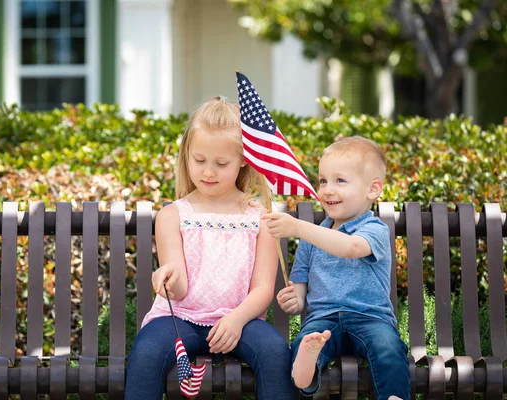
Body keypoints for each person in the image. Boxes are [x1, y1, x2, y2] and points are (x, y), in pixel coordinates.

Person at [124, 96, 296, 399]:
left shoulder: (260, 218)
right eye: (199, 160)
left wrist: (236, 319)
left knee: (274, 352)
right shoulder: (173, 215)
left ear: (244, 159)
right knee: (147, 351)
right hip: (180, 318)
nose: (208, 172)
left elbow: (262, 289)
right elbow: (178, 289)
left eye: (221, 163)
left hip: (240, 320)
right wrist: (167, 278)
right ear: (186, 156)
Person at [262, 136, 410, 400]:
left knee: (388, 348)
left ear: (373, 189)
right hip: (323, 318)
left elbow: (351, 247)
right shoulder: (312, 237)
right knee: (306, 341)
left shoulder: (374, 229)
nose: (328, 189)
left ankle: (393, 397)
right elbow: (299, 286)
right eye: (323, 180)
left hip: (370, 318)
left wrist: (298, 228)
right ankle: (305, 375)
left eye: (340, 181)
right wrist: (293, 300)